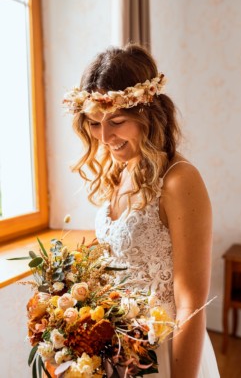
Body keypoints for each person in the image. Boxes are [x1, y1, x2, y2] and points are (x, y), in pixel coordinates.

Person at [64, 43, 220, 377]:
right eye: (93, 123)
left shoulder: (180, 181)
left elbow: (191, 305)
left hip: (164, 353)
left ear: (147, 113)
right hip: (118, 355)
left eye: (116, 121)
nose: (104, 137)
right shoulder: (119, 171)